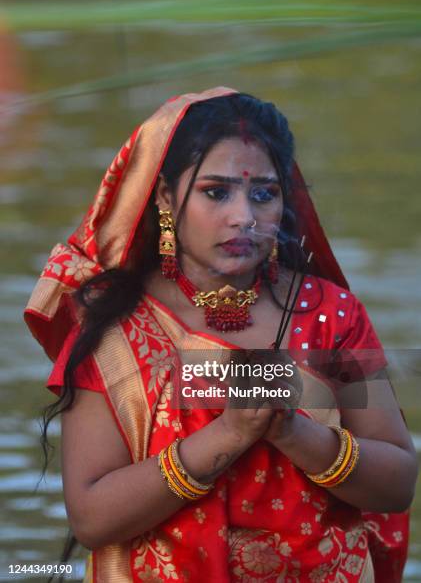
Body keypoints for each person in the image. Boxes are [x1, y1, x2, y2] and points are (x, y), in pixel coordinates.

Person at [25, 87, 417, 582]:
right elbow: (92, 518)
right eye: (215, 192)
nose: (244, 218)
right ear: (166, 196)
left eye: (263, 194)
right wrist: (228, 435)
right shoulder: (114, 325)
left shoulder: (331, 315)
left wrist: (295, 433)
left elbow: (397, 483)